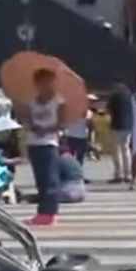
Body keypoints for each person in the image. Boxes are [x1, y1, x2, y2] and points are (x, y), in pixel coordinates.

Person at [23, 68, 63, 226]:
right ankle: (42, 211)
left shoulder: (58, 102)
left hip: (49, 142)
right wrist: (31, 125)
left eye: (48, 81)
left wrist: (47, 129)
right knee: (40, 178)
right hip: (34, 142)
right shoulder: (32, 102)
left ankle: (49, 211)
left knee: (50, 177)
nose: (45, 85)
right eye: (41, 82)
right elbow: (27, 120)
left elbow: (62, 123)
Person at [107, 76, 133, 183]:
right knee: (126, 149)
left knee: (116, 150)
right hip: (128, 125)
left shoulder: (114, 96)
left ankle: (119, 174)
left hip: (116, 125)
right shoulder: (129, 94)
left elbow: (109, 109)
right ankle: (128, 174)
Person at [63, 95, 94, 169]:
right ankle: (77, 174)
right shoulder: (88, 112)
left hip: (72, 135)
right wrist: (90, 137)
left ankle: (72, 173)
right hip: (81, 136)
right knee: (79, 158)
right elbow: (89, 125)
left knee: (72, 157)